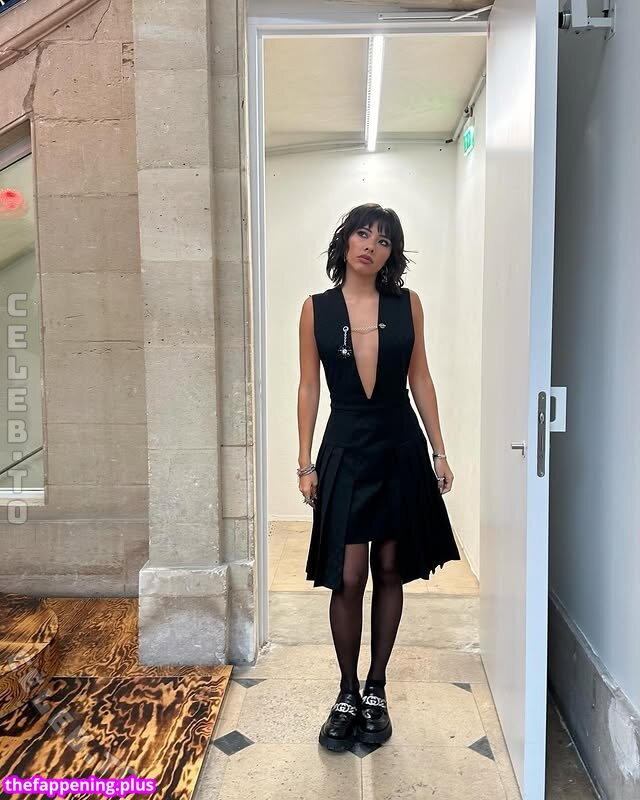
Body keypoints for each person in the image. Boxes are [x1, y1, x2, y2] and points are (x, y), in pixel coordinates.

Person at [296, 203, 461, 752]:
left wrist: (440, 451)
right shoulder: (315, 309)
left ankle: (376, 688)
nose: (371, 245)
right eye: (363, 234)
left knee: (390, 567)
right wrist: (304, 461)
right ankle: (346, 691)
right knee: (348, 575)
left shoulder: (407, 304)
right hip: (344, 446)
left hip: (399, 445)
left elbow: (422, 379)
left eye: (384, 240)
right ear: (345, 240)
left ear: (392, 254)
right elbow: (308, 387)